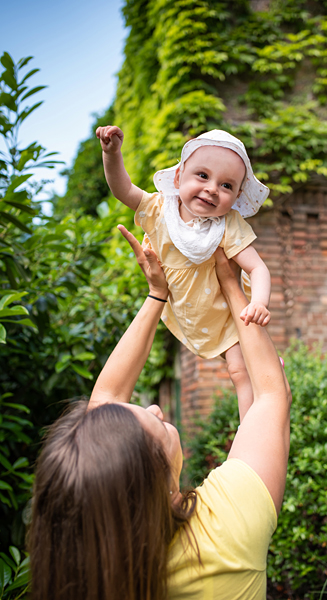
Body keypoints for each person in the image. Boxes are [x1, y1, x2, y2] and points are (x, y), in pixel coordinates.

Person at [29, 226, 291, 600]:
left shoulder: (82, 567)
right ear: (159, 486)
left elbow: (105, 402)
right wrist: (231, 285)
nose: (155, 408)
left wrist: (158, 294)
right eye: (157, 423)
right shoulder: (224, 537)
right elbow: (271, 395)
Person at [96, 126, 271, 420]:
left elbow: (258, 268)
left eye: (226, 186)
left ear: (237, 195)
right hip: (185, 308)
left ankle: (248, 428)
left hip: (227, 313)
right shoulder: (159, 209)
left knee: (240, 372)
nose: (212, 188)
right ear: (178, 177)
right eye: (202, 175)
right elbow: (122, 189)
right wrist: (111, 154)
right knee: (239, 371)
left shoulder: (227, 225)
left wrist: (260, 303)